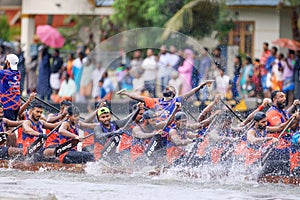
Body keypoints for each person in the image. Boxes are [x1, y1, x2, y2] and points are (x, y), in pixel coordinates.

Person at [0, 54, 21, 121]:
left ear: (8, 63)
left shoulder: (4, 74)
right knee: (13, 125)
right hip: (16, 104)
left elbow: (3, 71)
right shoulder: (18, 73)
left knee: (9, 128)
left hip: (7, 105)